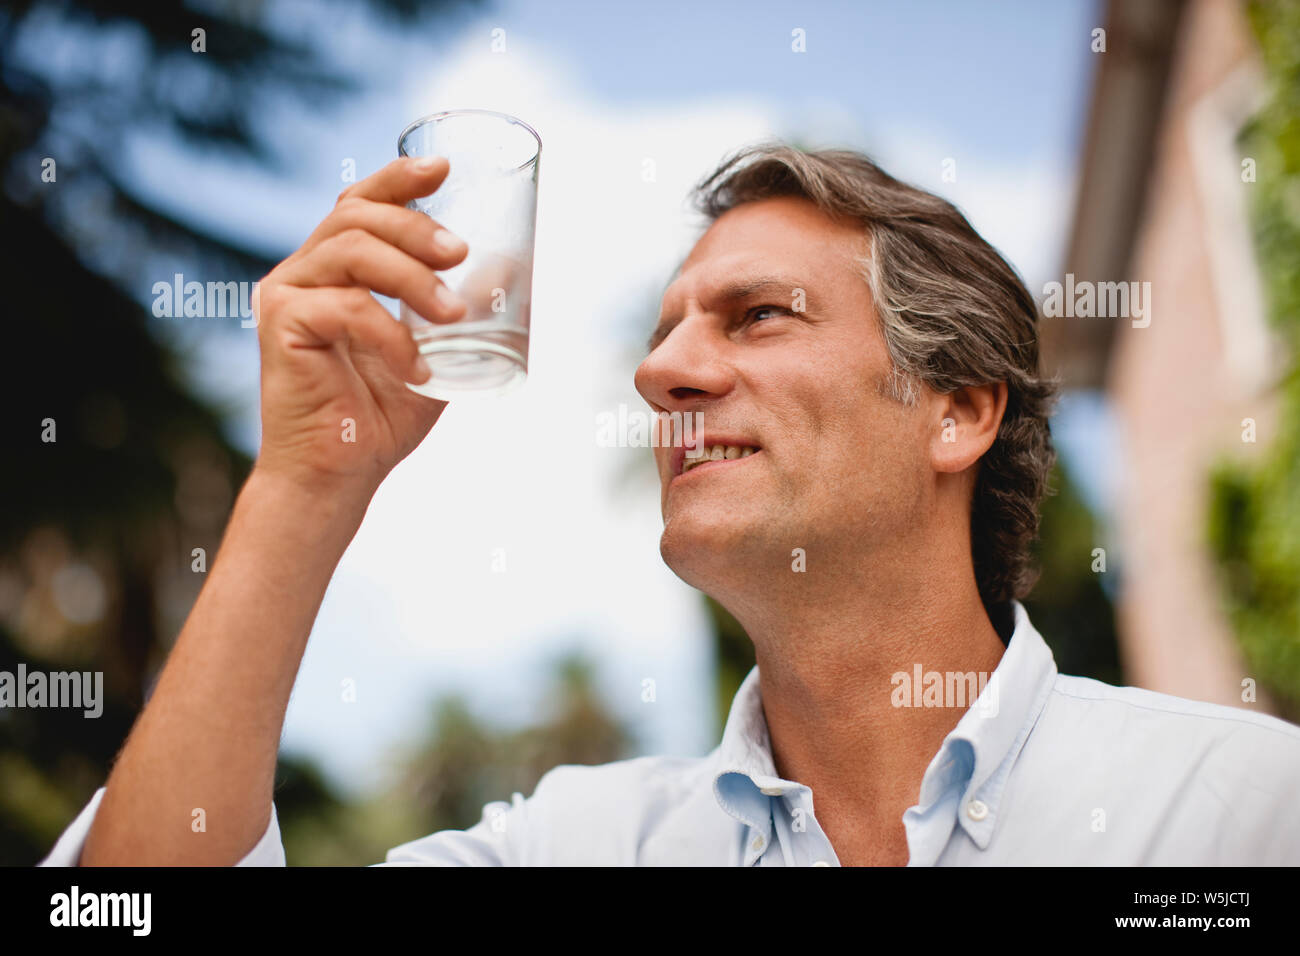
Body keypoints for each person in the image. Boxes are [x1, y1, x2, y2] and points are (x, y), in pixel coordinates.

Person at [41, 143, 1300, 866]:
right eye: (662, 335)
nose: (660, 373)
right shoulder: (581, 847)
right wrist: (301, 489)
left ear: (957, 409)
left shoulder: (1233, 811)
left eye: (758, 314)